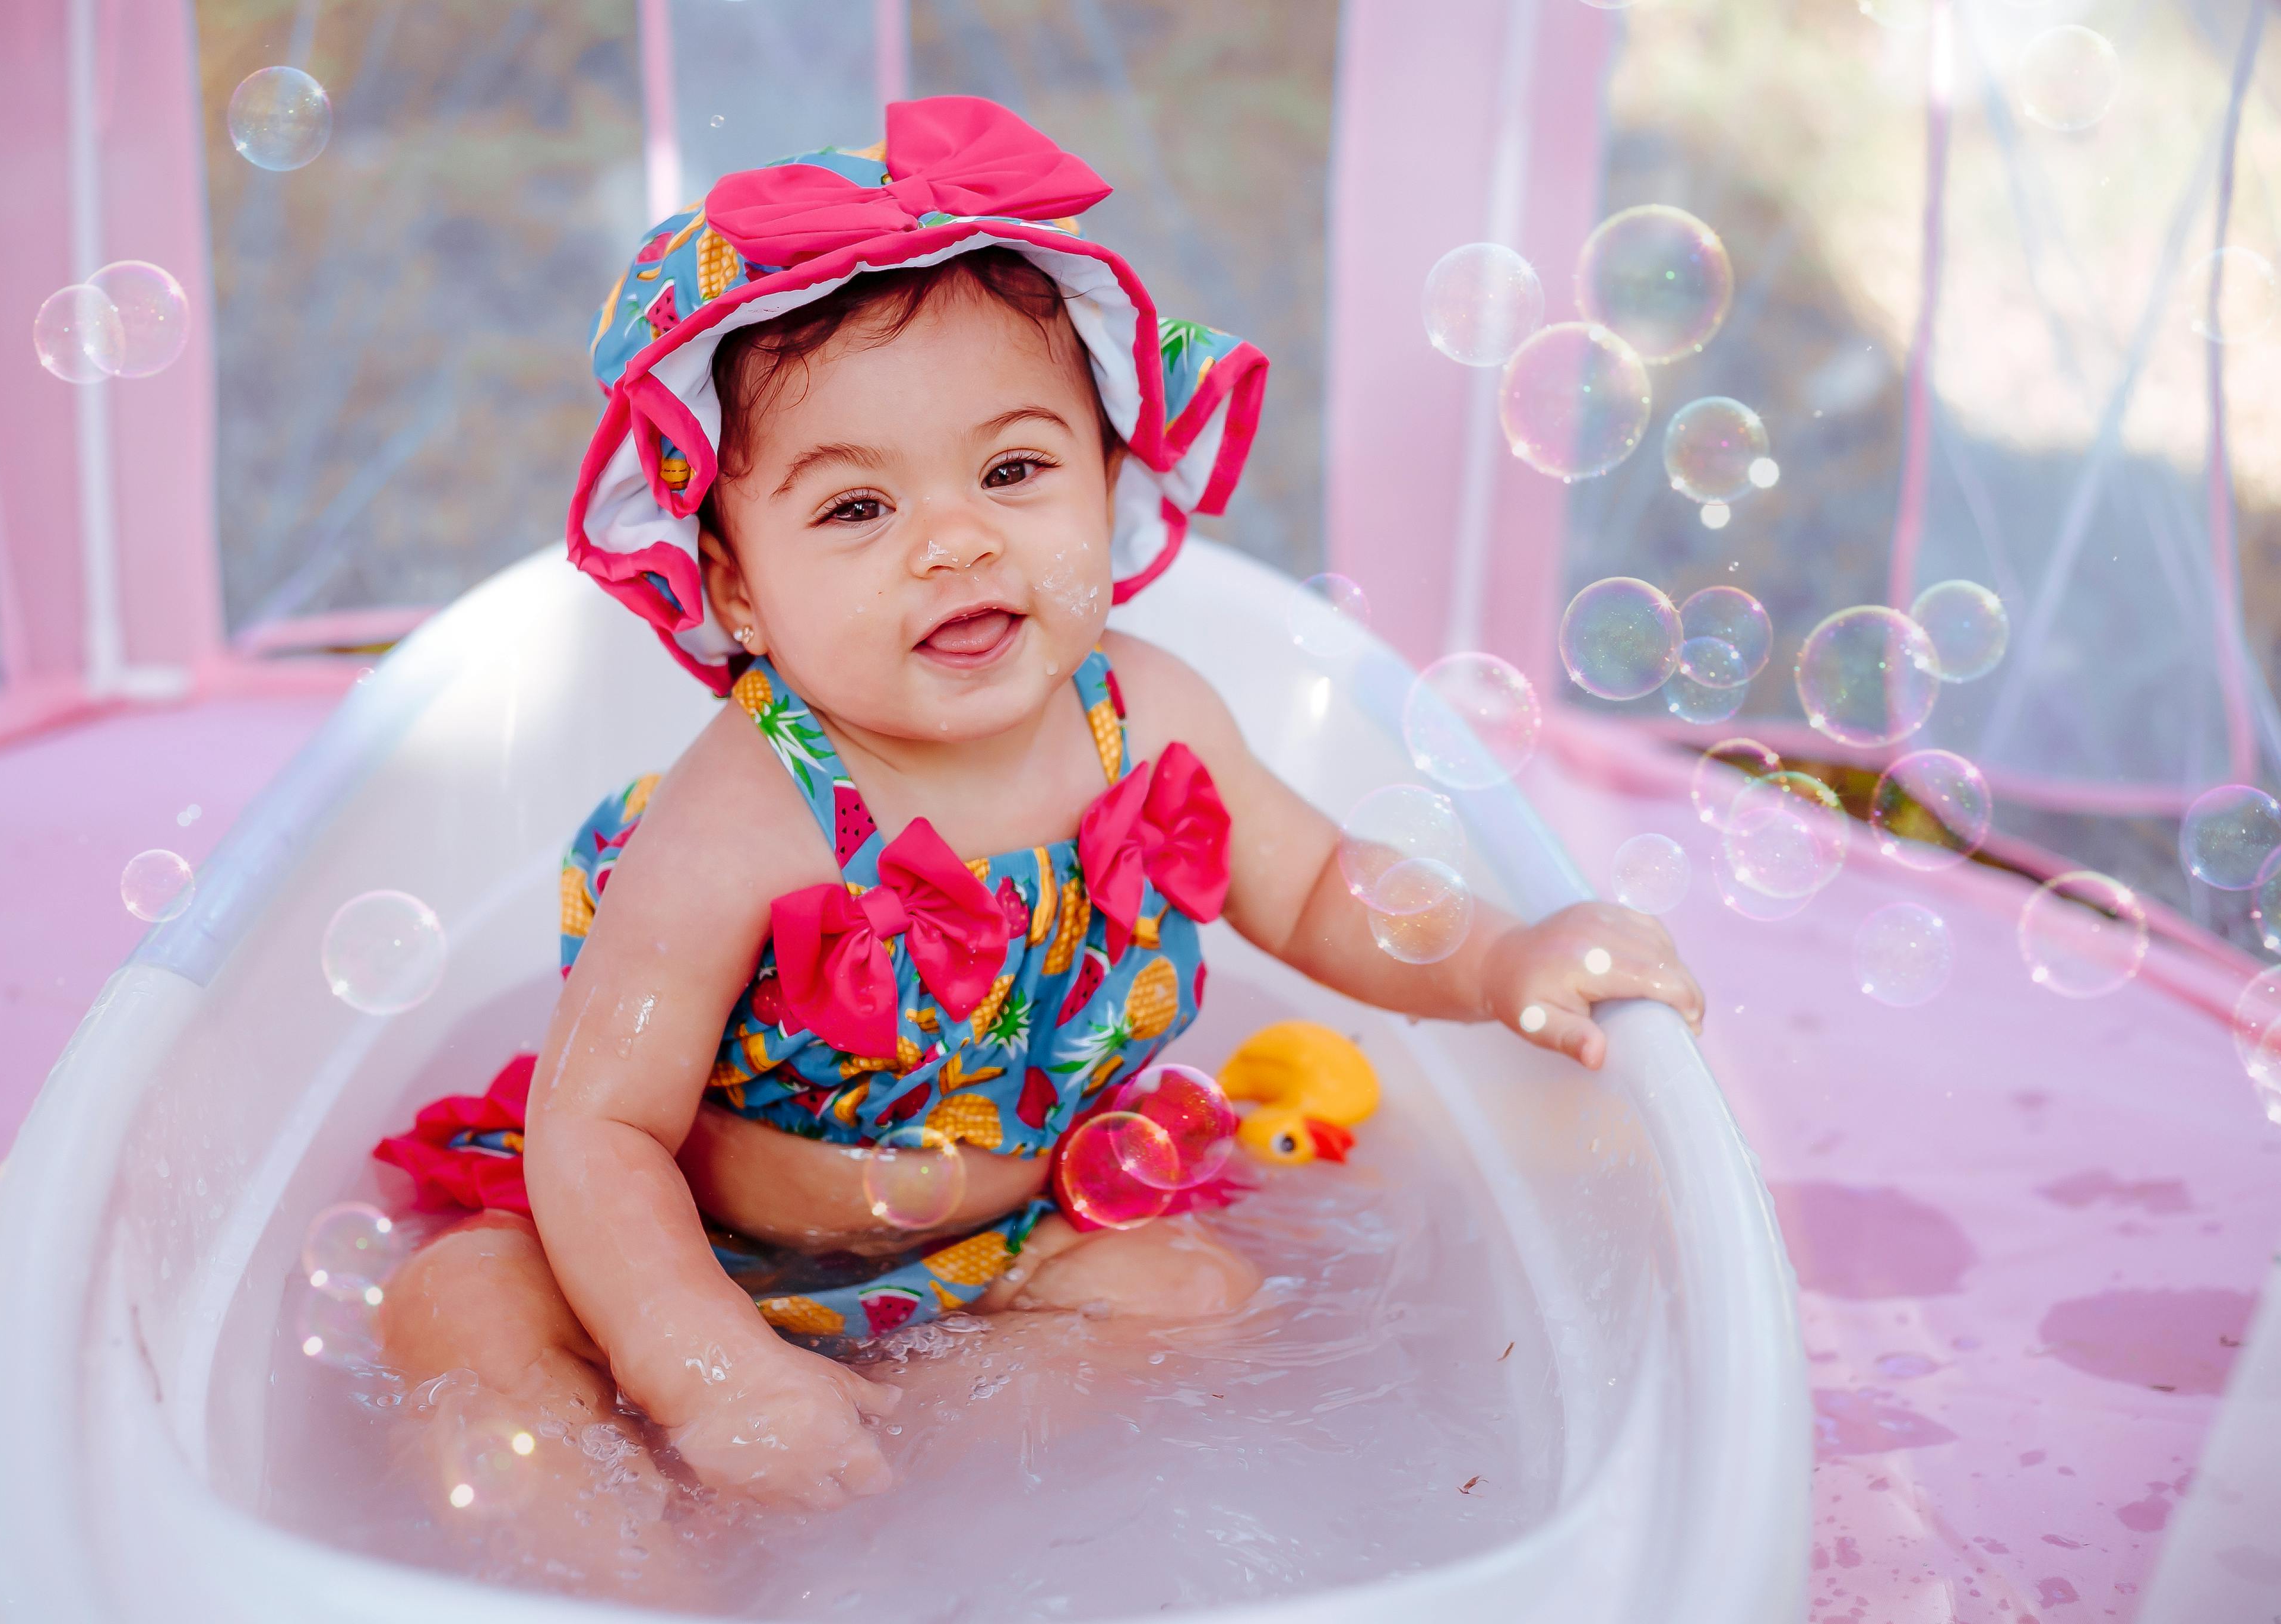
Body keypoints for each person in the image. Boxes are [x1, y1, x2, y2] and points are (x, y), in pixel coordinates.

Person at [374, 96, 1705, 1532]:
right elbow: (601, 1131)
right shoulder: (750, 808)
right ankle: (641, 1549)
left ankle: (860, 1497)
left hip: (1006, 1240)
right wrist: (696, 1360)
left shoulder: (1150, 717)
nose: (957, 540)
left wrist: (1504, 964)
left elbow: (1322, 891)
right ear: (736, 588)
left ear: (1113, 484)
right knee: (456, 1307)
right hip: (689, 1242)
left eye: (1014, 470)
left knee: (1197, 1297)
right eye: (854, 511)